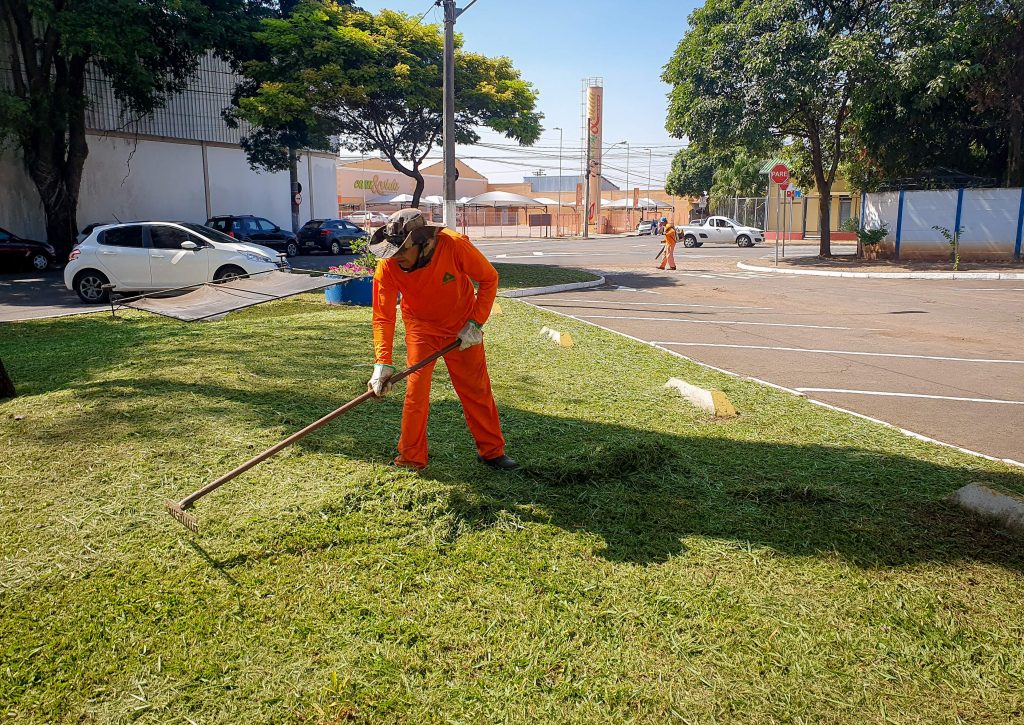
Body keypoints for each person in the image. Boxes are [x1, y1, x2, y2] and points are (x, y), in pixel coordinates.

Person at [365, 208, 518, 471]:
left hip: (462, 329)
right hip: (420, 329)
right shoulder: (388, 265)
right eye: (393, 250)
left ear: (423, 242)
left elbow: (489, 278)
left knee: (475, 390)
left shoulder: (455, 246)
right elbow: (383, 316)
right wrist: (382, 363)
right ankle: (411, 458)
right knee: (416, 392)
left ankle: (492, 451)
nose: (396, 257)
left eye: (402, 250)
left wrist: (475, 323)